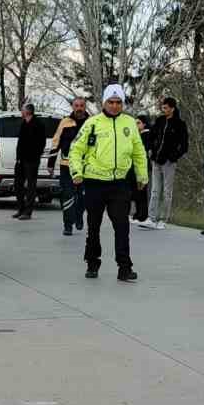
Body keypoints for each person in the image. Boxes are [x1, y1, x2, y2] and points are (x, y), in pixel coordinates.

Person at [68, 84, 148, 281]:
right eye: (110, 102)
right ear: (104, 103)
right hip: (95, 182)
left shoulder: (129, 123)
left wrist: (141, 176)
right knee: (93, 225)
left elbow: (139, 153)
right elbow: (76, 150)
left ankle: (124, 267)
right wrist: (76, 172)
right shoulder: (92, 123)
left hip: (119, 183)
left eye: (118, 102)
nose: (114, 106)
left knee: (122, 226)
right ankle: (92, 262)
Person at [140, 97, 190, 230]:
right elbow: (151, 137)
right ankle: (151, 218)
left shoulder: (180, 124)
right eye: (162, 107)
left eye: (166, 108)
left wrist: (173, 157)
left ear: (172, 108)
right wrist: (150, 149)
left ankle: (163, 219)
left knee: (167, 192)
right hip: (156, 161)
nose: (163, 110)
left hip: (169, 163)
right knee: (155, 190)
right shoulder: (160, 121)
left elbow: (184, 145)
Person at [50, 97, 90, 236]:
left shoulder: (91, 123)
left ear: (85, 107)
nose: (79, 108)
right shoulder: (65, 122)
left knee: (83, 196)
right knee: (67, 195)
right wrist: (51, 162)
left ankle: (79, 216)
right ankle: (67, 225)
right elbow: (56, 141)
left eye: (81, 105)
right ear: (72, 107)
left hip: (86, 166)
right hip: (66, 165)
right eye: (76, 105)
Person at [12, 103, 47, 221]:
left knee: (31, 185)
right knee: (18, 184)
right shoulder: (23, 123)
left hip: (32, 160)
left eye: (22, 110)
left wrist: (36, 154)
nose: (21, 112)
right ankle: (20, 209)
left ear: (28, 111)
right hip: (20, 159)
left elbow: (42, 142)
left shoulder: (38, 124)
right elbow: (20, 142)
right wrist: (18, 157)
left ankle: (28, 212)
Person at [130, 114, 153, 226]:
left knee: (142, 192)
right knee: (137, 191)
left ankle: (142, 215)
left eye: (138, 123)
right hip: (137, 166)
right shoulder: (139, 135)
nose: (136, 125)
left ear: (144, 124)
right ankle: (138, 214)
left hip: (143, 167)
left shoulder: (147, 135)